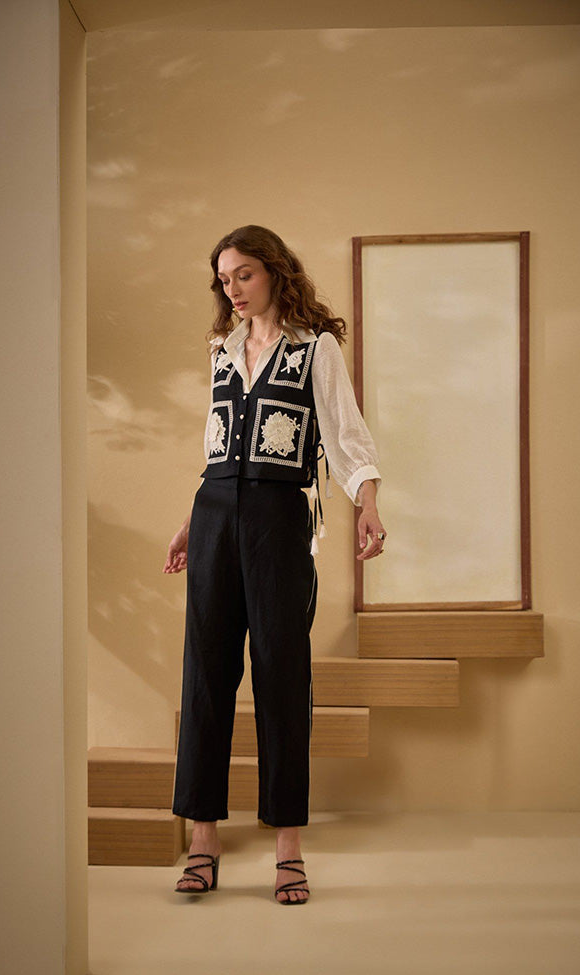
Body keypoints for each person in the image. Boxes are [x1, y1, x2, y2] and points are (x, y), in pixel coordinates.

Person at [163, 225, 386, 904]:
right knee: (206, 675)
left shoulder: (314, 348)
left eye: (244, 275)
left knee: (282, 677)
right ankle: (203, 839)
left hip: (278, 519)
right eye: (224, 279)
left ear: (275, 272)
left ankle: (289, 846)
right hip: (213, 515)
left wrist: (367, 503)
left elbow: (345, 433)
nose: (233, 289)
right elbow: (216, 445)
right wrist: (191, 522)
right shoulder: (222, 350)